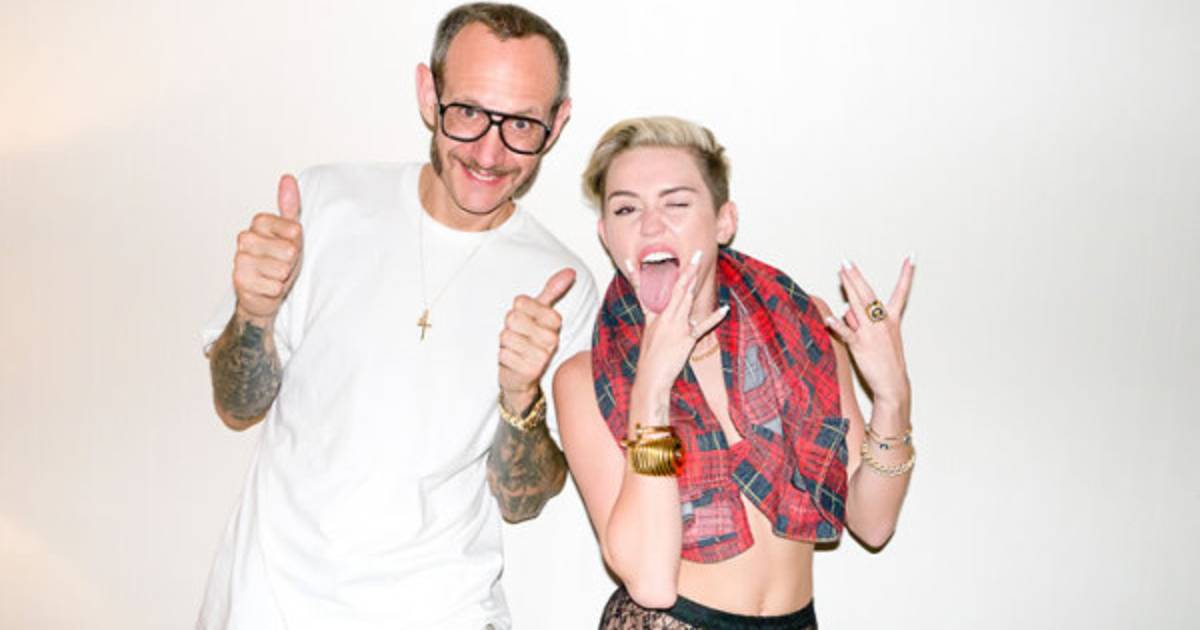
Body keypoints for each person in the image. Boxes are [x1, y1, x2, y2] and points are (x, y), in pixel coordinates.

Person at [197, 4, 598, 629]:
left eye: (521, 124)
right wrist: (254, 312)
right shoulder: (325, 203)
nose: (489, 152)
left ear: (557, 123)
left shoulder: (561, 282)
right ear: (427, 94)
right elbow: (236, 405)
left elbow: (523, 502)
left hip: (442, 610)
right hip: (268, 603)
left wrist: (521, 398)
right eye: (468, 112)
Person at [553, 116, 917, 628]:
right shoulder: (586, 379)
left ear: (724, 221)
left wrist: (893, 397)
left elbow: (872, 523)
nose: (650, 225)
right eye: (626, 209)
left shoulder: (802, 329)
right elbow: (651, 581)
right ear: (606, 235)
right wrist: (651, 392)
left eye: (676, 204)